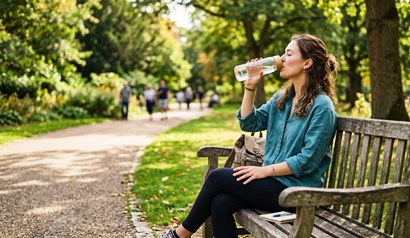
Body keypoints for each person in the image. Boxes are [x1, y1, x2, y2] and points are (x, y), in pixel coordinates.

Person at [159, 34, 338, 238]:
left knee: (218, 176)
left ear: (307, 63)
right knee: (221, 203)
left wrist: (265, 172)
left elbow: (307, 161)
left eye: (288, 54)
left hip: (298, 192)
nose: (282, 58)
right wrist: (250, 85)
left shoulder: (322, 106)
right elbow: (249, 122)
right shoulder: (283, 98)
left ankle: (180, 234)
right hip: (274, 184)